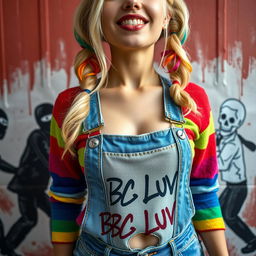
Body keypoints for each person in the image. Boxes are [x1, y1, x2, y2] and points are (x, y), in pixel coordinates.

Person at [49, 0, 229, 255]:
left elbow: (203, 192)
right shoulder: (70, 107)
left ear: (167, 16)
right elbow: (65, 197)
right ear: (96, 16)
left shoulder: (192, 103)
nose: (133, 2)